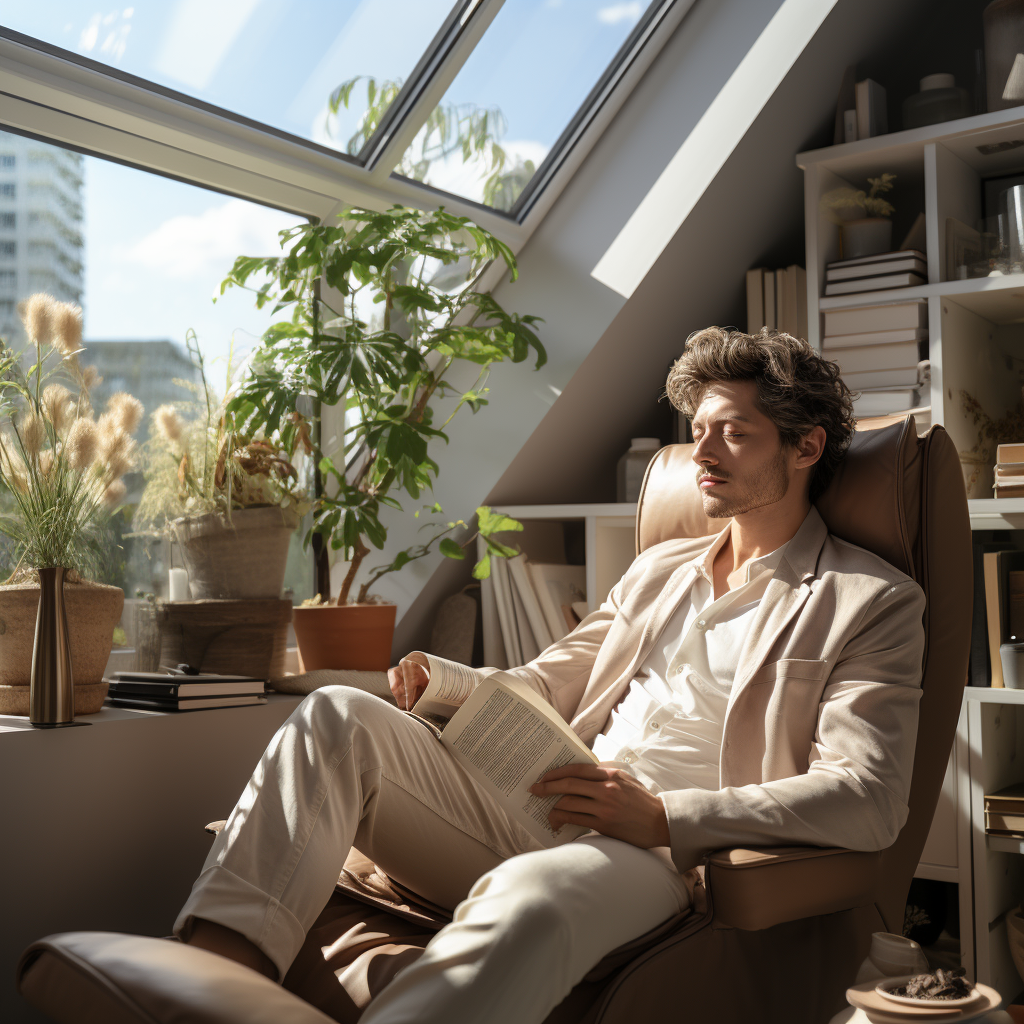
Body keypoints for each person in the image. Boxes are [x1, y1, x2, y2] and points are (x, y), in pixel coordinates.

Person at [174, 327, 926, 1024]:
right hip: (546, 801)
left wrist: (664, 816)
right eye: (698, 432)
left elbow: (868, 798)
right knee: (337, 713)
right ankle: (213, 986)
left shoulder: (869, 601)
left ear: (805, 448)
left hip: (659, 853)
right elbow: (546, 678)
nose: (703, 453)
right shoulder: (658, 570)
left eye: (734, 432)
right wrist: (447, 686)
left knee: (532, 896)